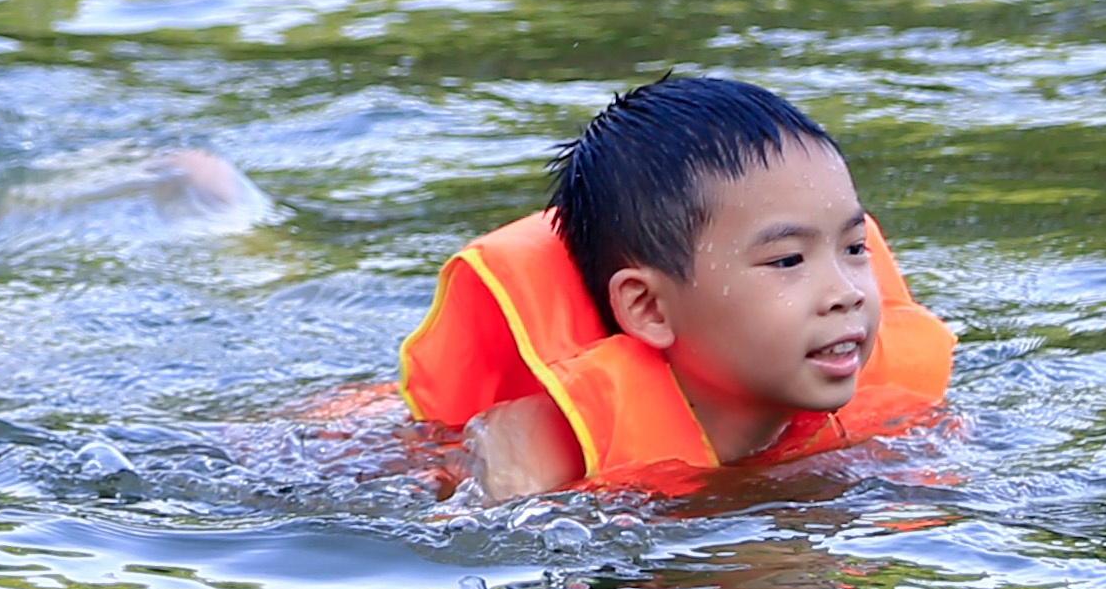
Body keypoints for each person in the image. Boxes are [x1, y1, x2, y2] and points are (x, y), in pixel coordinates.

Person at [394, 74, 952, 500]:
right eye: (787, 260)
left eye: (855, 249)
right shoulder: (543, 455)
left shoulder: (897, 408)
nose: (846, 292)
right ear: (649, 307)